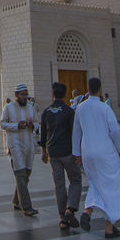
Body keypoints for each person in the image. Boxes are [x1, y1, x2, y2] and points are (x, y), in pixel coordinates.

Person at [72, 77, 120, 238]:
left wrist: (77, 154)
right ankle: (109, 226)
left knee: (95, 182)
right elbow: (115, 131)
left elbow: (76, 132)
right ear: (99, 89)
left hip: (87, 152)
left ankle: (87, 211)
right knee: (113, 185)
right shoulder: (104, 108)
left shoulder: (80, 108)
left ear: (87, 89)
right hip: (105, 152)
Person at [39, 82, 81, 230]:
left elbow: (43, 134)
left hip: (52, 153)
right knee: (75, 179)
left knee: (59, 184)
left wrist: (43, 151)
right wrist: (78, 154)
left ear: (53, 94)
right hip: (67, 152)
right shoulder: (69, 111)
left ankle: (62, 218)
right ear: (65, 94)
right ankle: (71, 209)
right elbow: (75, 134)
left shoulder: (47, 112)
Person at [0, 84, 39, 215]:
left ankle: (17, 201)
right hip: (15, 144)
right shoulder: (8, 108)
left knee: (26, 174)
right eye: (22, 94)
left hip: (28, 144)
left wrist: (33, 125)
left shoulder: (30, 107)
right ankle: (26, 207)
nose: (24, 97)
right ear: (16, 95)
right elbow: (2, 123)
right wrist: (17, 125)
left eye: (26, 94)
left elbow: (37, 122)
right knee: (20, 174)